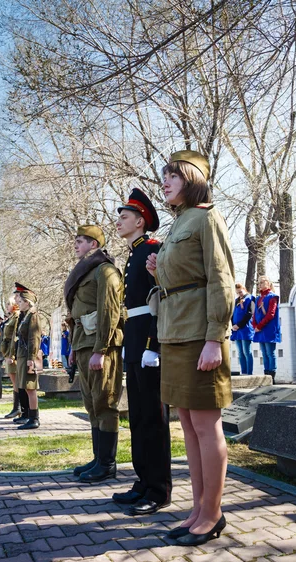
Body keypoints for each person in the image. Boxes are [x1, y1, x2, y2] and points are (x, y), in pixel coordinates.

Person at [146, 149, 234, 546]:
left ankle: (212, 514)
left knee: (205, 425)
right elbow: (184, 275)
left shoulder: (206, 216)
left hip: (201, 334)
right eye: (164, 176)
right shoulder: (179, 221)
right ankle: (197, 508)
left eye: (173, 176)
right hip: (174, 333)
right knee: (187, 424)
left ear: (192, 180)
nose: (164, 182)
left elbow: (220, 279)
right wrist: (158, 269)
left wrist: (215, 337)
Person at [113, 188, 172, 515]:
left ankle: (159, 489)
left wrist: (152, 344)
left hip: (149, 343)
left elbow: (158, 300)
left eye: (124, 217)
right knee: (137, 417)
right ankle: (143, 481)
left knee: (153, 418)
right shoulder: (133, 253)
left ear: (140, 221)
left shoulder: (153, 249)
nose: (119, 222)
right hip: (134, 342)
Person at [64, 225, 123, 483]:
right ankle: (98, 458)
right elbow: (76, 315)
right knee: (91, 404)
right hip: (84, 344)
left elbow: (109, 312)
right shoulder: (86, 272)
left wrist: (101, 349)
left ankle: (108, 463)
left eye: (81, 241)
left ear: (94, 245)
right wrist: (74, 349)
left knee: (105, 402)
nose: (75, 245)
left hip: (101, 347)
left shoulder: (105, 271)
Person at [13, 284, 42, 429]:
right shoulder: (26, 316)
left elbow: (34, 338)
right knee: (25, 387)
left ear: (27, 302)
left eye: (20, 302)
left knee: (31, 388)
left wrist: (31, 358)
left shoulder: (33, 316)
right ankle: (29, 416)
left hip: (28, 356)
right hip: (23, 355)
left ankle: (34, 418)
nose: (18, 304)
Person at [253, 275, 281, 383]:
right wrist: (255, 326)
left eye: (262, 282)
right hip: (259, 330)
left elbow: (271, 314)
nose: (259, 284)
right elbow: (255, 314)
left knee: (270, 353)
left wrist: (260, 326)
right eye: (258, 283)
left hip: (268, 329)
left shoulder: (272, 297)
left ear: (268, 283)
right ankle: (266, 375)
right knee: (264, 353)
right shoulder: (258, 298)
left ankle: (271, 376)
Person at [0, 297, 20, 419]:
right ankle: (16, 408)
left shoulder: (16, 316)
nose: (7, 306)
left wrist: (11, 355)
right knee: (15, 383)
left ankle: (18, 408)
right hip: (7, 352)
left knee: (16, 382)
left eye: (9, 304)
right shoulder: (12, 317)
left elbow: (14, 337)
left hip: (12, 354)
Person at [231, 283, 255, 375]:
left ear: (244, 289)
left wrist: (239, 325)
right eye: (237, 292)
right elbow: (233, 314)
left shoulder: (251, 298)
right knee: (240, 353)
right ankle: (244, 372)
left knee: (247, 351)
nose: (239, 294)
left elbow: (250, 313)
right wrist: (233, 325)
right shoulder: (236, 300)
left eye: (240, 291)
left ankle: (249, 373)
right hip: (236, 330)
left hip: (245, 328)